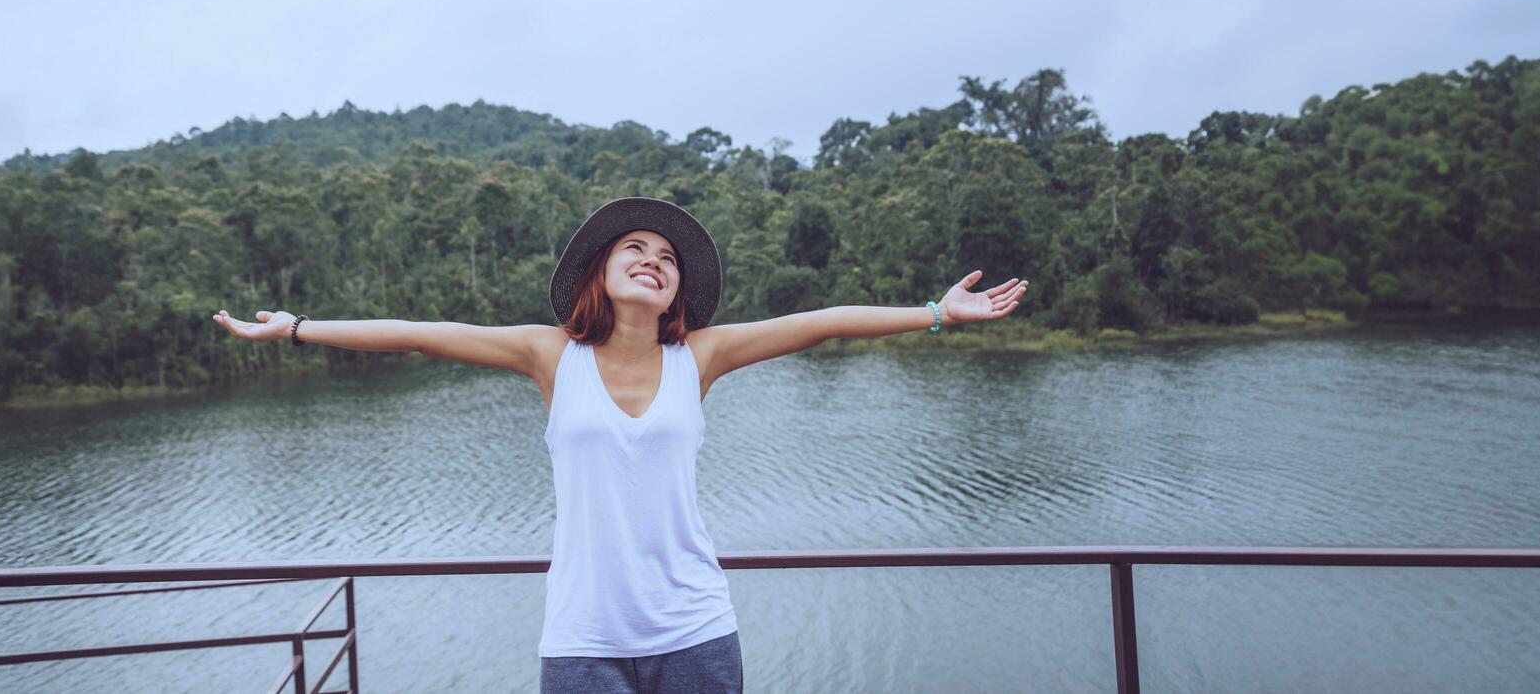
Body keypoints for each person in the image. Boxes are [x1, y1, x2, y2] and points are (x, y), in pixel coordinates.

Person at [213, 196, 1029, 693]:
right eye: (635, 249)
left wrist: (935, 312)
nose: (654, 261)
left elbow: (818, 323)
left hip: (697, 632)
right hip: (584, 643)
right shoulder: (549, 355)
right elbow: (426, 335)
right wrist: (297, 329)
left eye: (667, 257)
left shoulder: (699, 358)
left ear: (678, 289)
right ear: (600, 273)